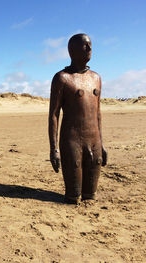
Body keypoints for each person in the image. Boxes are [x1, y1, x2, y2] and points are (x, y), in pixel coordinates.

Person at [48, 33, 107, 204]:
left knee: (90, 195)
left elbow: (98, 113)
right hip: (72, 141)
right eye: (85, 45)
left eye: (90, 45)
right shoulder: (62, 78)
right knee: (73, 196)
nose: (89, 49)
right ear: (72, 50)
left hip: (94, 140)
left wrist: (101, 143)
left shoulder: (96, 78)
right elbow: (53, 115)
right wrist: (54, 149)